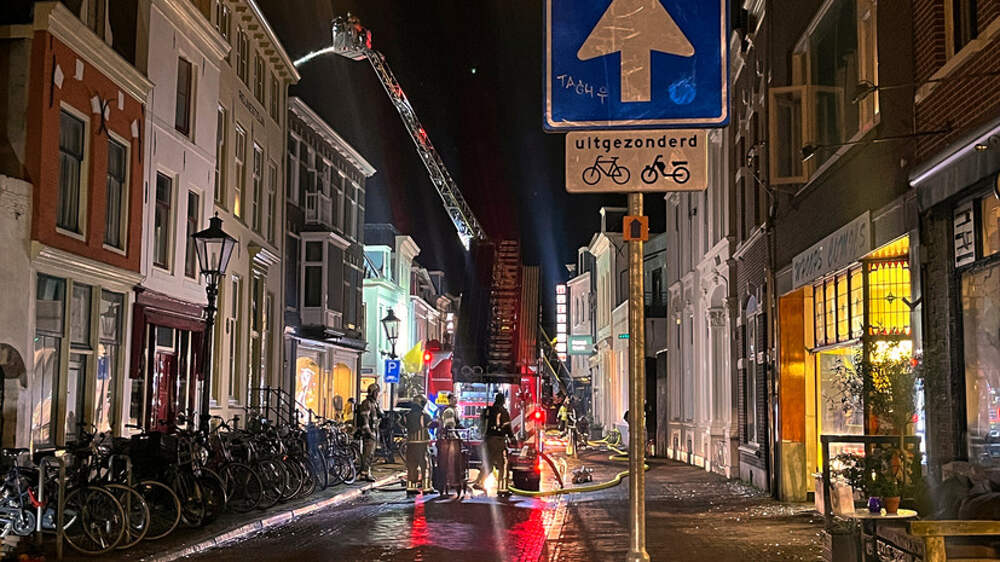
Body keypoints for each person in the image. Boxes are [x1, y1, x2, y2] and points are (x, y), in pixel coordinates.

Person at [472, 392, 514, 495]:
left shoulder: (488, 411)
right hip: (499, 440)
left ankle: (479, 482)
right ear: (503, 401)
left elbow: (482, 424)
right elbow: (507, 427)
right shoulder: (503, 411)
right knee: (503, 464)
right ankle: (502, 488)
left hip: (488, 440)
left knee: (489, 463)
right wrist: (512, 438)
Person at [355, 384, 382, 482]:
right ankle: (364, 473)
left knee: (371, 454)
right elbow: (365, 418)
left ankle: (366, 472)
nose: (377, 394)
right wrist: (368, 432)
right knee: (368, 453)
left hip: (374, 431)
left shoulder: (374, 403)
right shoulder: (367, 403)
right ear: (372, 392)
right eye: (376, 392)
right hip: (368, 432)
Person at [405, 395, 431, 493]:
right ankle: (426, 486)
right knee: (425, 465)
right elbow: (431, 424)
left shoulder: (407, 415)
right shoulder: (424, 415)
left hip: (410, 443)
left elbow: (402, 424)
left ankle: (411, 486)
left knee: (411, 465)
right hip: (422, 443)